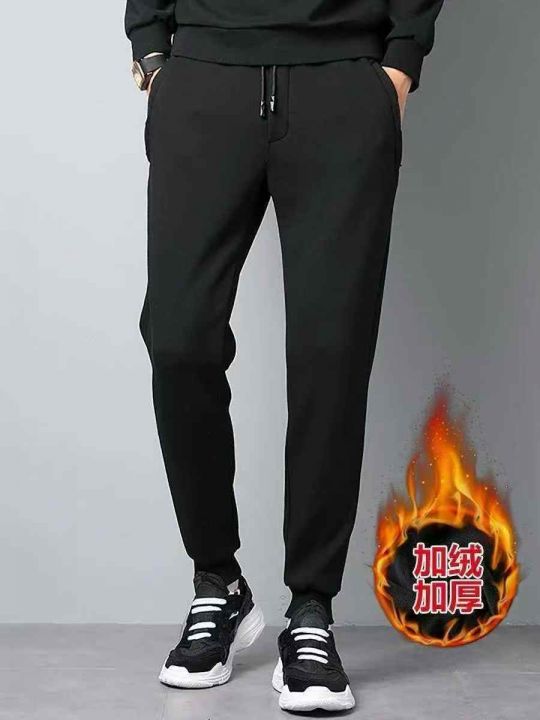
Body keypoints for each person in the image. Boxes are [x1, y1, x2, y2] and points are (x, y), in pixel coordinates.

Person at [125, 0, 443, 712]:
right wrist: (151, 49)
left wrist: (400, 61)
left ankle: (311, 610)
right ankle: (219, 582)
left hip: (343, 80)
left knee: (332, 350)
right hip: (204, 78)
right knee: (178, 337)